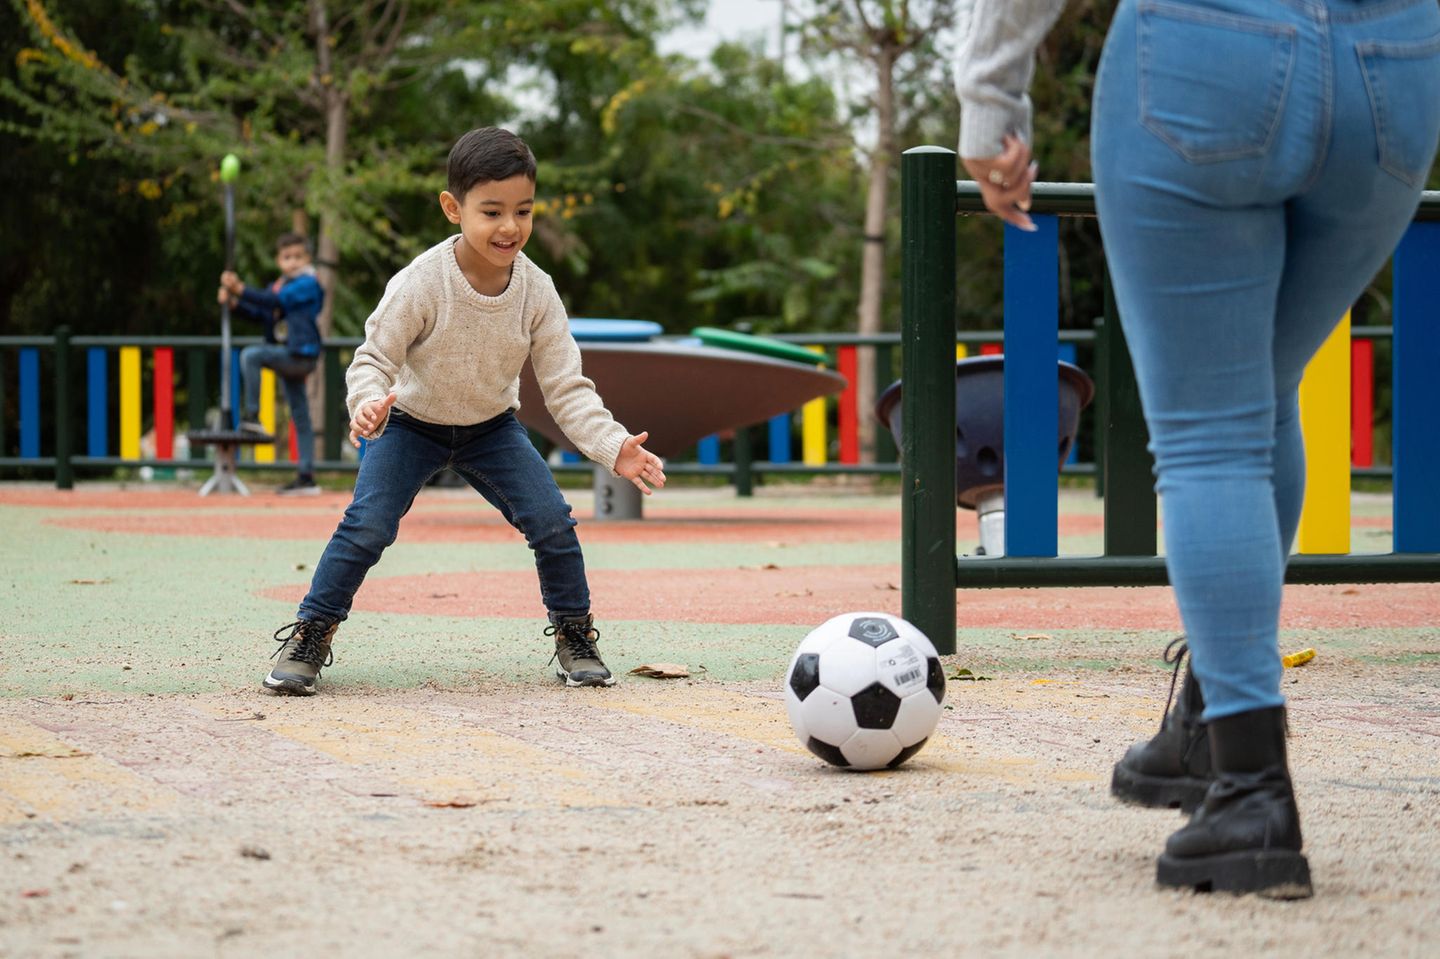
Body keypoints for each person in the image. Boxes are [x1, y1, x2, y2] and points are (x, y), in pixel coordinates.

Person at [957, 0, 1440, 898]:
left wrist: (990, 101)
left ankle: (1252, 792)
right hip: (1396, 65)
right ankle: (1214, 718)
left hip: (1206, 52)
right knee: (1258, 396)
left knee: (1213, 432)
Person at [263, 126, 666, 697]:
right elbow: (372, 359)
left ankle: (575, 635)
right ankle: (311, 632)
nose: (509, 227)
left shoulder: (536, 291)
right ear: (453, 208)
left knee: (552, 520)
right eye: (492, 211)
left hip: (490, 429)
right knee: (367, 526)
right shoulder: (423, 283)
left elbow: (566, 387)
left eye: (522, 211)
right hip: (408, 423)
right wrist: (367, 404)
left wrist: (612, 444)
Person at [216, 232, 325, 495]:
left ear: (307, 258)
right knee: (301, 416)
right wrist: (233, 303)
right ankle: (306, 476)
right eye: (288, 257)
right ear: (279, 261)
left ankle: (252, 416)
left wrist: (239, 288)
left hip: (300, 355)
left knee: (251, 355)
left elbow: (275, 302)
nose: (293, 262)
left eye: (298, 257)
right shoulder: (279, 285)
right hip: (288, 355)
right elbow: (261, 311)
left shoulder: (308, 284)